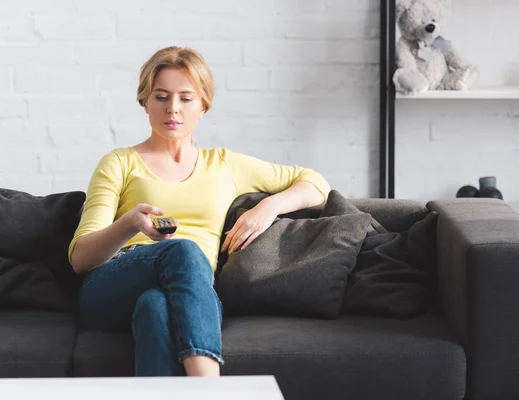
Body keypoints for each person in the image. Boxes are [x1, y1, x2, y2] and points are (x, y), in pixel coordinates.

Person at [68, 46, 331, 378]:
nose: (172, 109)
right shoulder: (119, 163)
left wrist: (267, 208)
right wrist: (130, 223)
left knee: (155, 306)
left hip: (194, 294)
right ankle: (209, 390)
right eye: (161, 97)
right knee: (182, 249)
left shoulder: (224, 165)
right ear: (145, 102)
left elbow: (315, 182)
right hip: (112, 286)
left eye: (185, 99)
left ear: (203, 106)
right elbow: (81, 259)